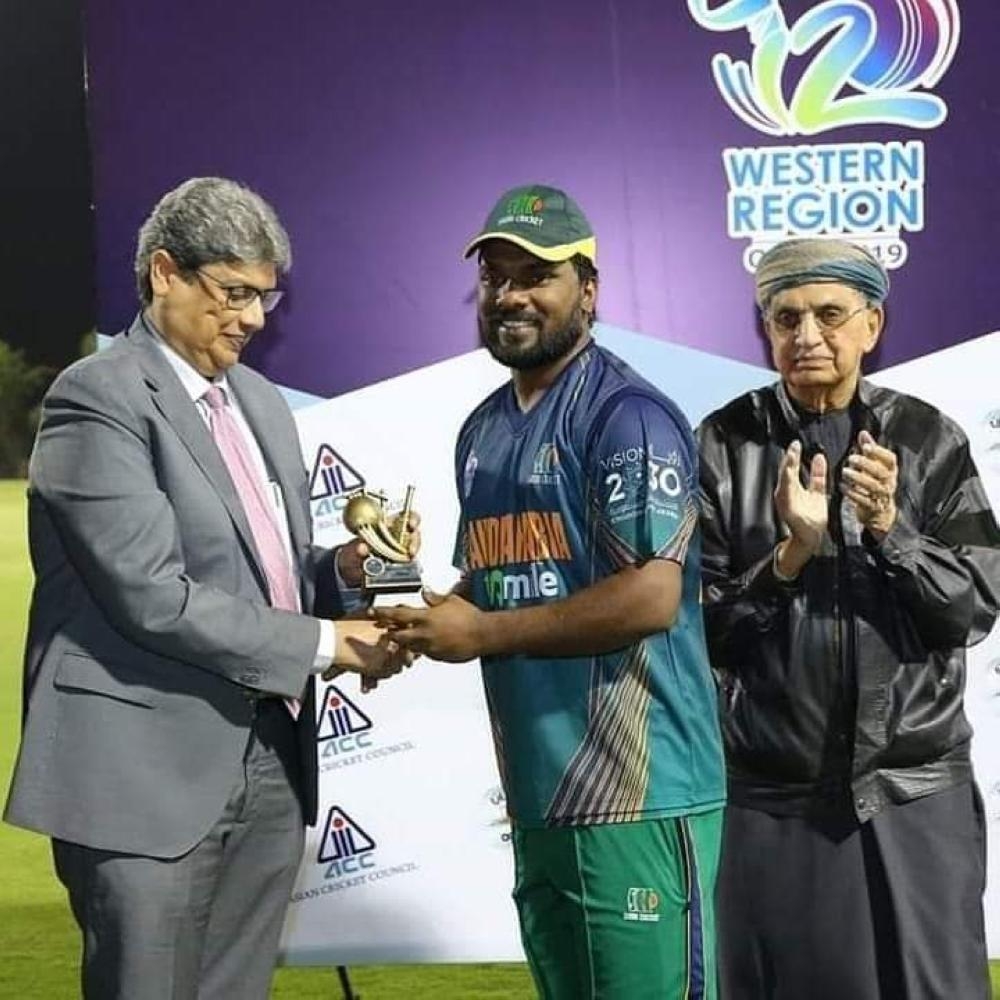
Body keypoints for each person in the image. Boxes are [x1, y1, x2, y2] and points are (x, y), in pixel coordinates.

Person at [4, 177, 415, 1000]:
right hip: (142, 779)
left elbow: (263, 572)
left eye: (265, 297)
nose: (254, 318)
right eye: (234, 293)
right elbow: (154, 594)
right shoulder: (97, 397)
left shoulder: (259, 401)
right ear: (164, 273)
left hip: (270, 757)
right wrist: (331, 645)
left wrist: (342, 574)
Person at [376, 184, 726, 999]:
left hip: (642, 794)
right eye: (496, 278)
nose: (511, 296)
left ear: (589, 291)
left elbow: (649, 599)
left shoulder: (627, 415)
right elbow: (491, 586)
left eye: (537, 276)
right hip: (541, 794)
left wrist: (485, 636)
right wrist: (414, 625)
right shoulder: (484, 428)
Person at [697, 237, 1000, 999]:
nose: (807, 336)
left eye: (830, 314)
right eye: (786, 317)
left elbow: (973, 609)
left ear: (873, 324)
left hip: (913, 789)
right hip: (773, 800)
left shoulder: (929, 441)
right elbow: (698, 633)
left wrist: (892, 530)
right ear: (765, 330)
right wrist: (789, 558)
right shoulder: (722, 446)